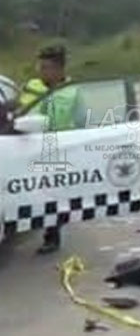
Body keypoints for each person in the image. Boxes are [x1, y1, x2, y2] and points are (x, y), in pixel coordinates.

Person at [17, 45, 79, 254]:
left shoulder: (73, 91)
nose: (42, 72)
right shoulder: (32, 86)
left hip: (59, 148)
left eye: (47, 67)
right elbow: (19, 111)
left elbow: (82, 121)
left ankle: (52, 235)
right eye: (40, 67)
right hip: (27, 146)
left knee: (54, 195)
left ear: (60, 70)